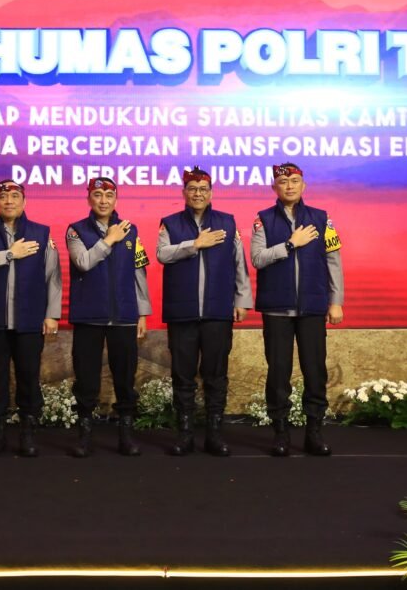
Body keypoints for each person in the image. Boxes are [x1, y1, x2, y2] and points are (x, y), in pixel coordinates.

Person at [157, 166, 252, 456]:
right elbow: (162, 254)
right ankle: (185, 435)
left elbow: (239, 263)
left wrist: (242, 299)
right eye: (192, 189)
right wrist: (194, 244)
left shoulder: (227, 222)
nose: (198, 194)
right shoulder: (169, 223)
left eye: (203, 189)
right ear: (184, 192)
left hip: (217, 311)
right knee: (182, 376)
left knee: (216, 376)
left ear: (211, 193)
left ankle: (214, 435)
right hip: (182, 313)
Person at [250, 163, 344, 457]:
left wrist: (336, 301)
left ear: (304, 186)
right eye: (283, 181)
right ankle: (281, 433)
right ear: (274, 187)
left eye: (294, 181)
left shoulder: (322, 219)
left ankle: (314, 432)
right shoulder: (263, 220)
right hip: (276, 309)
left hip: (312, 308)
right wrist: (290, 244)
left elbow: (333, 260)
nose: (289, 186)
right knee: (278, 373)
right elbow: (257, 258)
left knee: (315, 372)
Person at [0, 180, 61, 457]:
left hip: (29, 320)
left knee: (29, 377)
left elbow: (53, 277)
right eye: (3, 197)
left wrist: (52, 314)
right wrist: (9, 254)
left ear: (24, 201)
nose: (8, 201)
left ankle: (27, 434)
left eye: (14, 196)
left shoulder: (41, 233)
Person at [66, 177, 152, 457]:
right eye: (97, 195)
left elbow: (139, 271)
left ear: (116, 199)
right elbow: (83, 262)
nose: (103, 200)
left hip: (124, 316)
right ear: (89, 198)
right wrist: (108, 240)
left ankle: (126, 436)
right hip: (88, 317)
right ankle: (84, 437)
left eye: (109, 195)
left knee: (125, 379)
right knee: (86, 379)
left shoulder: (130, 229)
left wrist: (142, 312)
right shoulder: (76, 230)